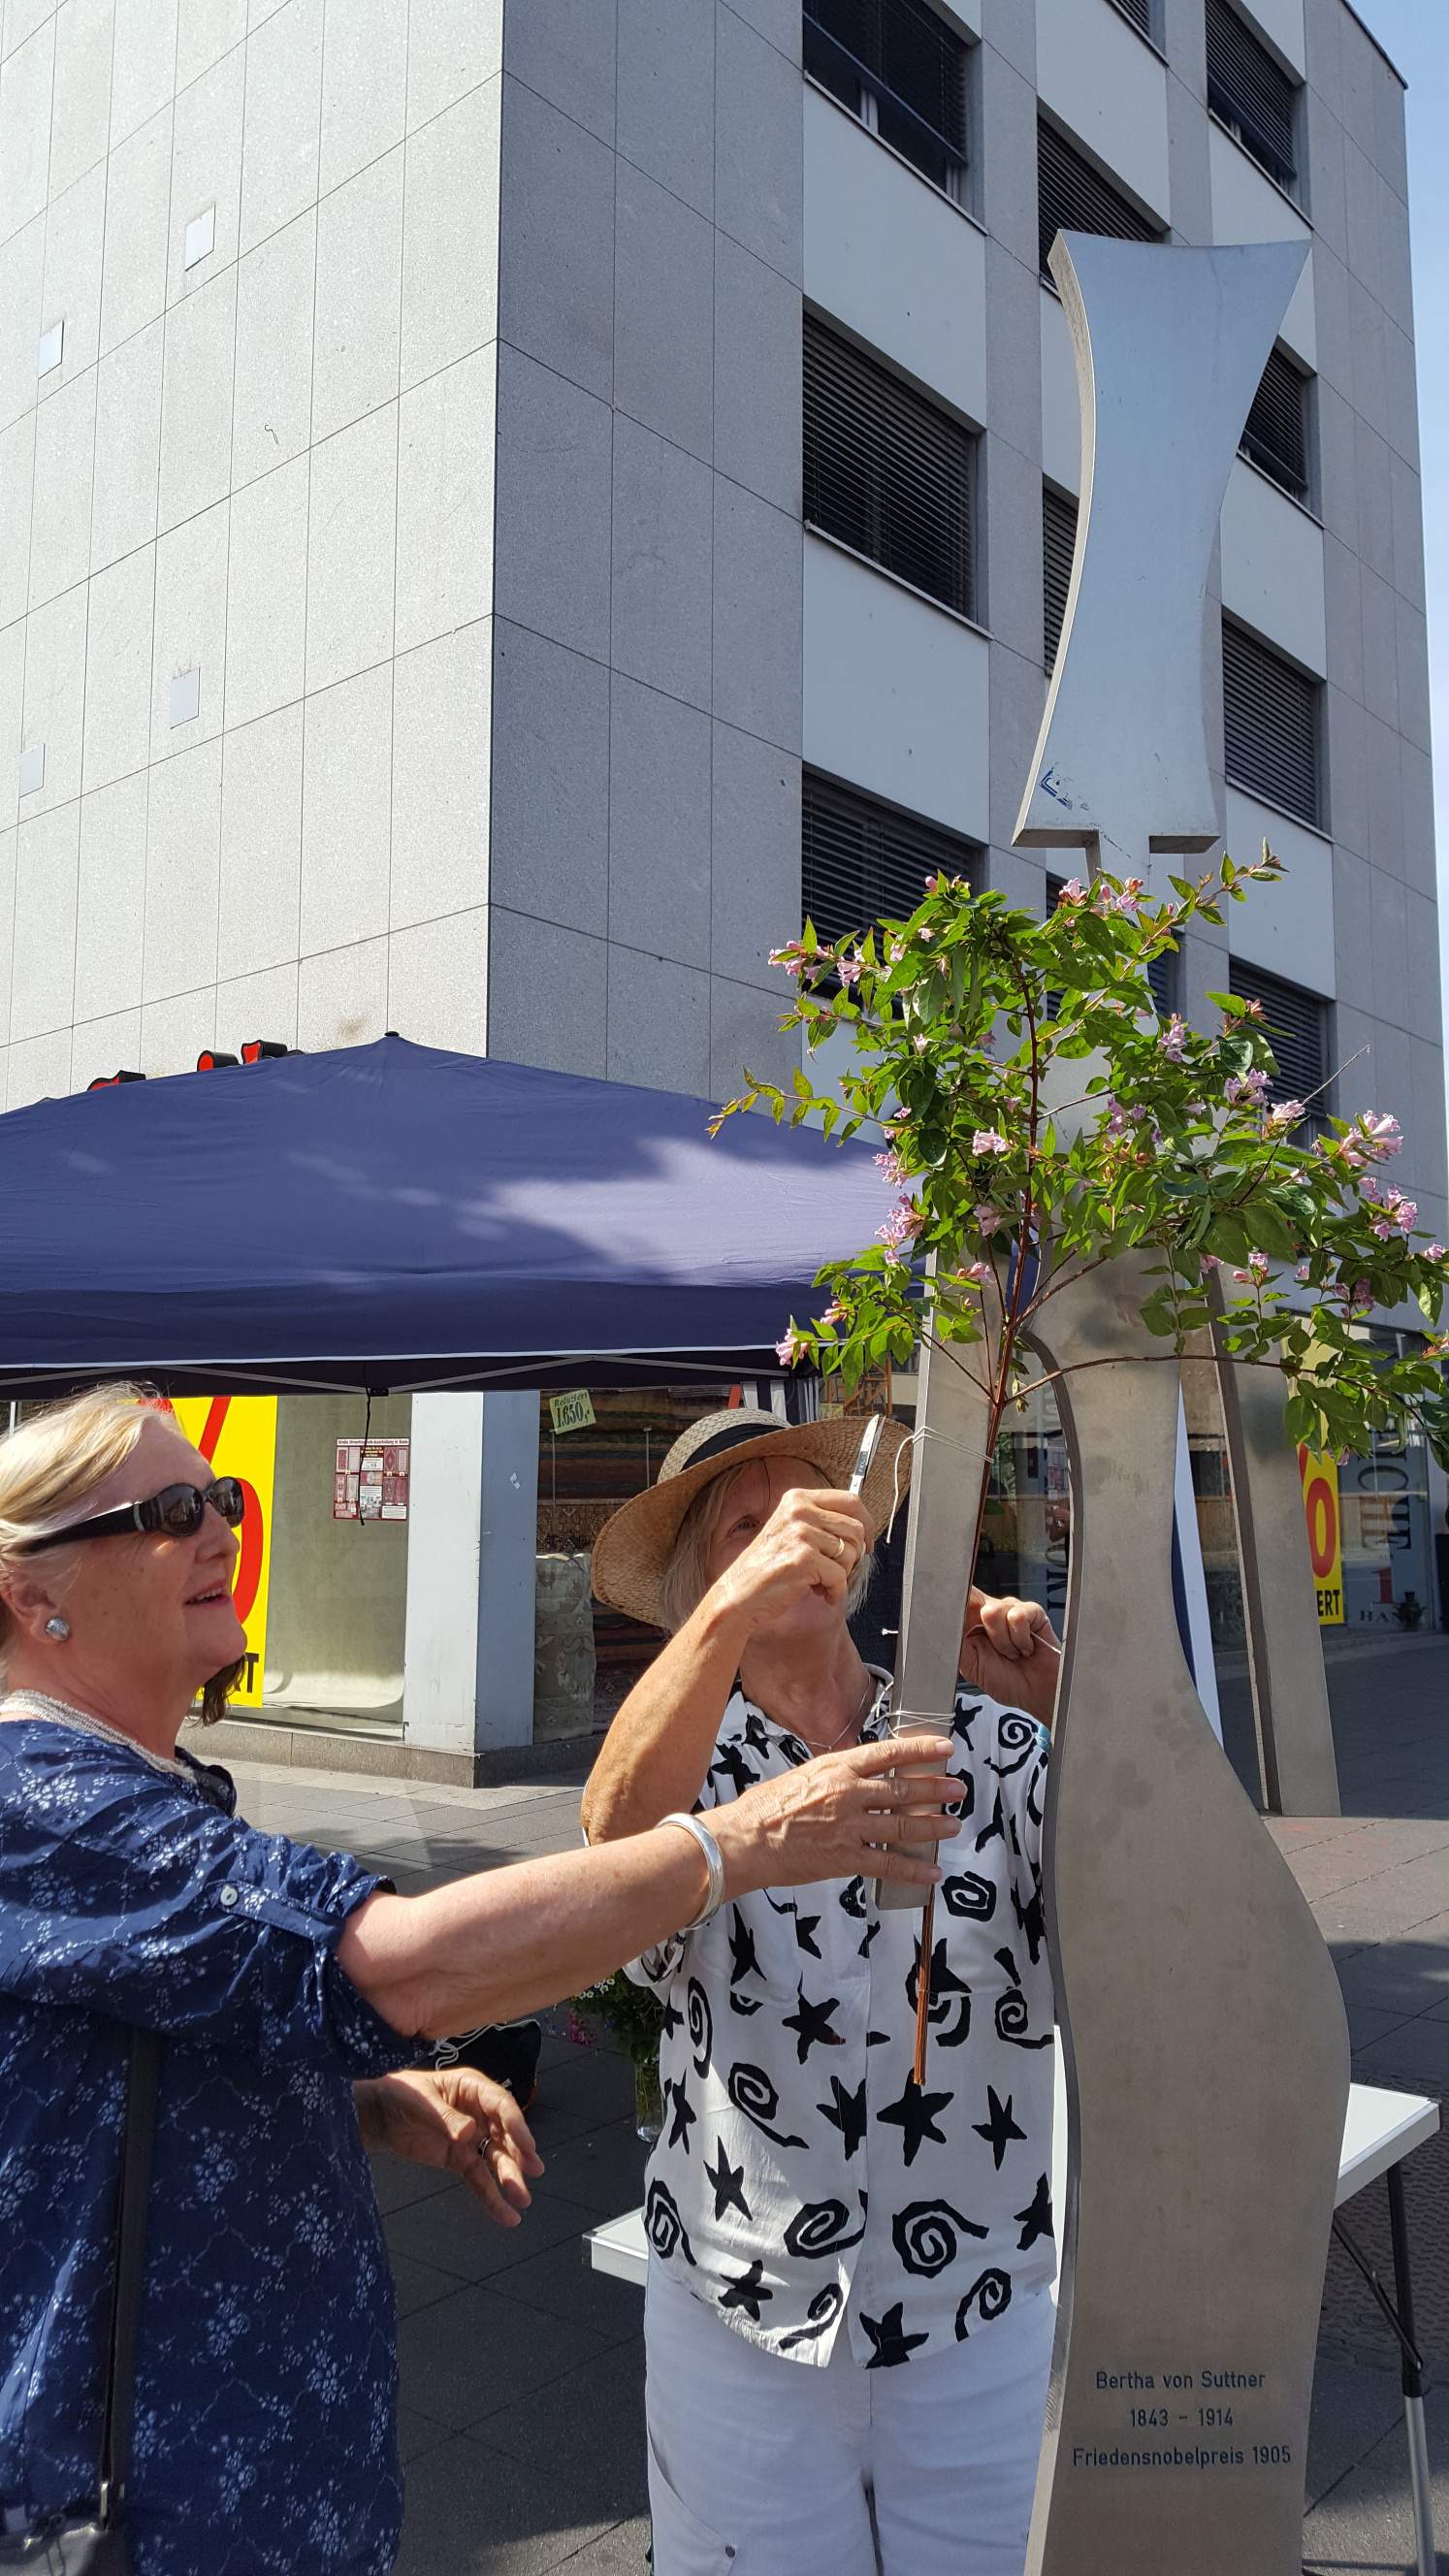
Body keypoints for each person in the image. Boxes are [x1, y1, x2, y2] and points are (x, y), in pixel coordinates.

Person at [0, 1387, 962, 2576]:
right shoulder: (40, 1799)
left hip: (263, 2486)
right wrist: (742, 1841)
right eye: (169, 1509)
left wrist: (355, 2100)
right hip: (163, 2513)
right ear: (31, 1591)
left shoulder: (143, 1788)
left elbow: (113, 2071)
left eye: (229, 1499)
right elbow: (406, 1968)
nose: (222, 1531)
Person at [584, 1407, 1062, 2576]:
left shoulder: (980, 1736)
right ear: (704, 1580)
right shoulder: (687, 1761)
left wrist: (1071, 1712)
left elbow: (1159, 1920)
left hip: (971, 2299)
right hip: (739, 2305)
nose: (784, 1538)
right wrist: (734, 1605)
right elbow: (611, 1860)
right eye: (744, 1529)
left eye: (800, 1508)